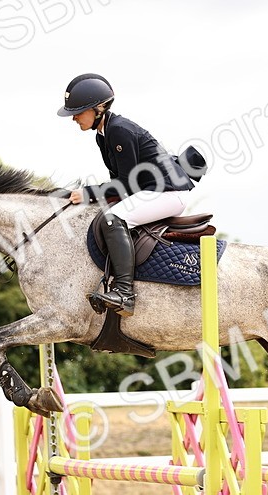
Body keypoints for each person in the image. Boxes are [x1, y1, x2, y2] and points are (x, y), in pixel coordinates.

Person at [58, 73, 194, 317]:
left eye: (78, 111)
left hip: (168, 193)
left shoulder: (119, 130)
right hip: (152, 191)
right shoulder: (104, 134)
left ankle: (124, 293)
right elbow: (118, 181)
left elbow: (126, 183)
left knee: (113, 219)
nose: (74, 118)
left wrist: (88, 193)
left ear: (99, 108)